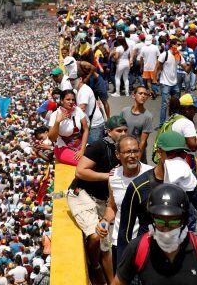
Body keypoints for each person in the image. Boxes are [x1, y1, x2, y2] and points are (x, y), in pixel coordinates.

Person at [117, 131, 197, 254]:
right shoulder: (139, 186)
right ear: (159, 152)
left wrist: (191, 188)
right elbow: (124, 233)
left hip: (180, 253)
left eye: (181, 154)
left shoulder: (188, 178)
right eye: (171, 153)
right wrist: (124, 269)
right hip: (149, 255)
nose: (176, 158)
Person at [113, 183, 197, 285]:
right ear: (152, 220)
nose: (166, 229)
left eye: (173, 222)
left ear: (183, 221)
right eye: (160, 222)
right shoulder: (137, 248)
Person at [66, 115, 130, 284]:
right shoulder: (98, 146)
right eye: (119, 131)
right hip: (83, 194)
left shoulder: (127, 147)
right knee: (96, 235)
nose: (123, 133)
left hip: (105, 199)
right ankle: (94, 266)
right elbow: (80, 172)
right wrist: (107, 176)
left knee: (106, 243)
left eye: (125, 130)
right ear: (109, 132)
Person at [98, 135, 153, 273]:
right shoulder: (113, 177)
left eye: (136, 151)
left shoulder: (152, 175)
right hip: (121, 243)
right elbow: (112, 206)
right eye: (128, 152)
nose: (132, 155)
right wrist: (104, 222)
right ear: (117, 154)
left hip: (147, 241)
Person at [48, 89, 90, 165]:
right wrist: (57, 122)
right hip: (63, 147)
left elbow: (86, 129)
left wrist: (82, 149)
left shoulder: (77, 110)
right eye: (68, 99)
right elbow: (52, 138)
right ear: (61, 101)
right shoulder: (55, 115)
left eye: (73, 100)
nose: (71, 102)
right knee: (84, 163)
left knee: (94, 158)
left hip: (80, 144)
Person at [156, 38, 187, 125]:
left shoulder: (179, 56)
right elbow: (157, 66)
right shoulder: (164, 54)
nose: (179, 46)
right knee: (165, 104)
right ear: (172, 45)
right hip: (165, 83)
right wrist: (154, 80)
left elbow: (186, 69)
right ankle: (162, 124)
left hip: (175, 84)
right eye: (178, 44)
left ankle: (175, 122)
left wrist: (191, 63)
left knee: (176, 104)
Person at [120, 86, 155, 163]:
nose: (143, 96)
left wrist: (137, 158)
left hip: (137, 151)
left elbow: (143, 141)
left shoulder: (148, 116)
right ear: (133, 95)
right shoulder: (125, 111)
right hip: (124, 149)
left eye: (145, 94)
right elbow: (119, 129)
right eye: (140, 93)